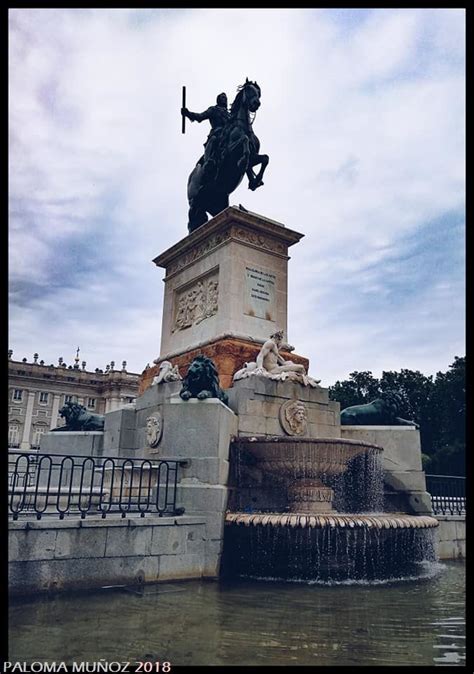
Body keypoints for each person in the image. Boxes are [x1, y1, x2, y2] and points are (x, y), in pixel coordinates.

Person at [182, 93, 230, 167]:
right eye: (223, 98)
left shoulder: (229, 114)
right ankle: (207, 161)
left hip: (227, 136)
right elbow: (200, 116)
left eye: (226, 98)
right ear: (218, 100)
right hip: (217, 133)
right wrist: (188, 113)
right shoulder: (213, 110)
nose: (225, 100)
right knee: (213, 139)